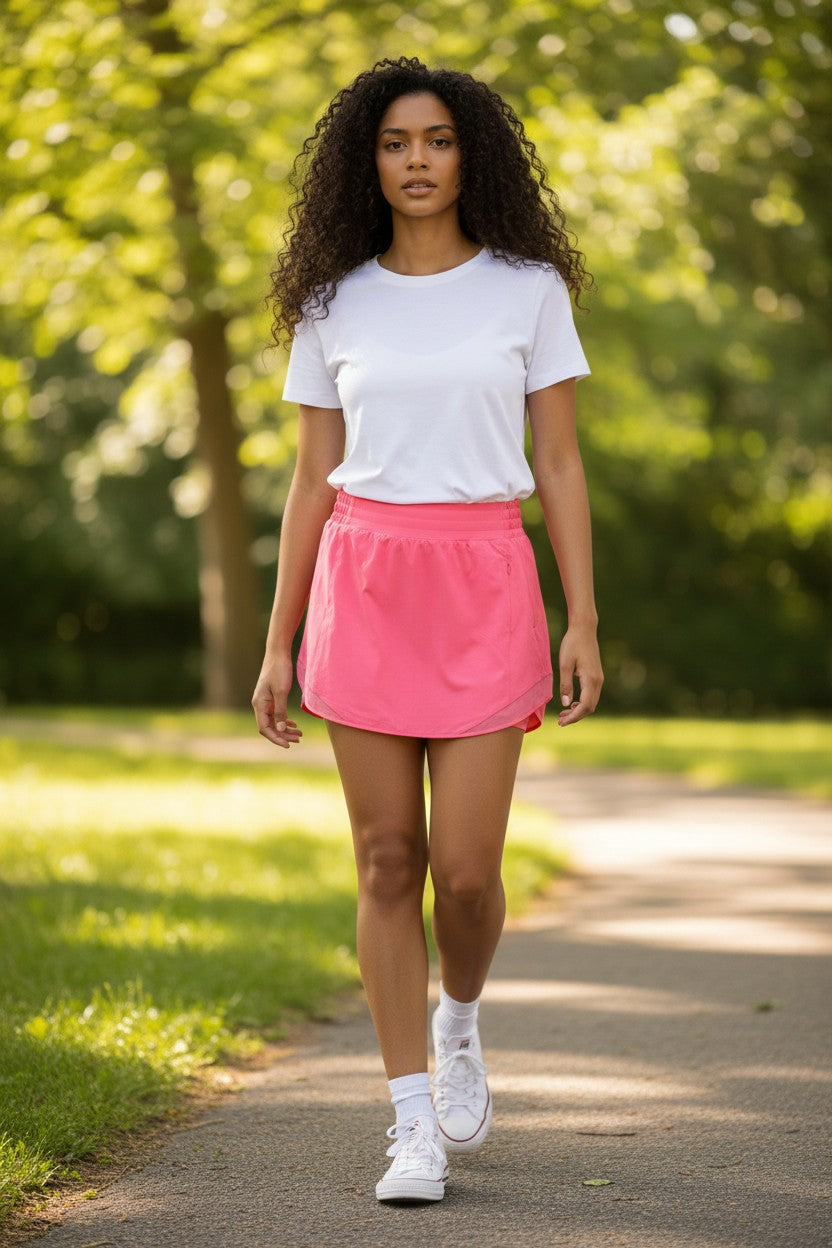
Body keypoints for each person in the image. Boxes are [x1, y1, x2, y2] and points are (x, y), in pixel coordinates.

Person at [252, 55, 603, 1205]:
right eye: (396, 142)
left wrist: (582, 619)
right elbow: (310, 482)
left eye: (438, 140)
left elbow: (556, 461)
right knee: (385, 857)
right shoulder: (329, 301)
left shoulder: (527, 289)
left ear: (471, 155)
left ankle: (459, 1018)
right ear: (370, 158)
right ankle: (411, 1124)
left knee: (464, 870)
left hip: (484, 576)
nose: (416, 160)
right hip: (363, 576)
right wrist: (276, 642)